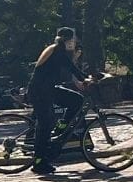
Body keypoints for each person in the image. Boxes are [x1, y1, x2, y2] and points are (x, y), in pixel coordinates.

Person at [27, 26, 90, 174]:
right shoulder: (57, 50)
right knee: (45, 124)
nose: (73, 42)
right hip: (40, 92)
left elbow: (70, 68)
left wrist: (84, 78)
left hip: (49, 89)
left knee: (76, 100)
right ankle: (39, 161)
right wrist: (85, 78)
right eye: (73, 39)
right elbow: (71, 68)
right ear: (69, 40)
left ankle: (61, 126)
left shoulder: (56, 50)